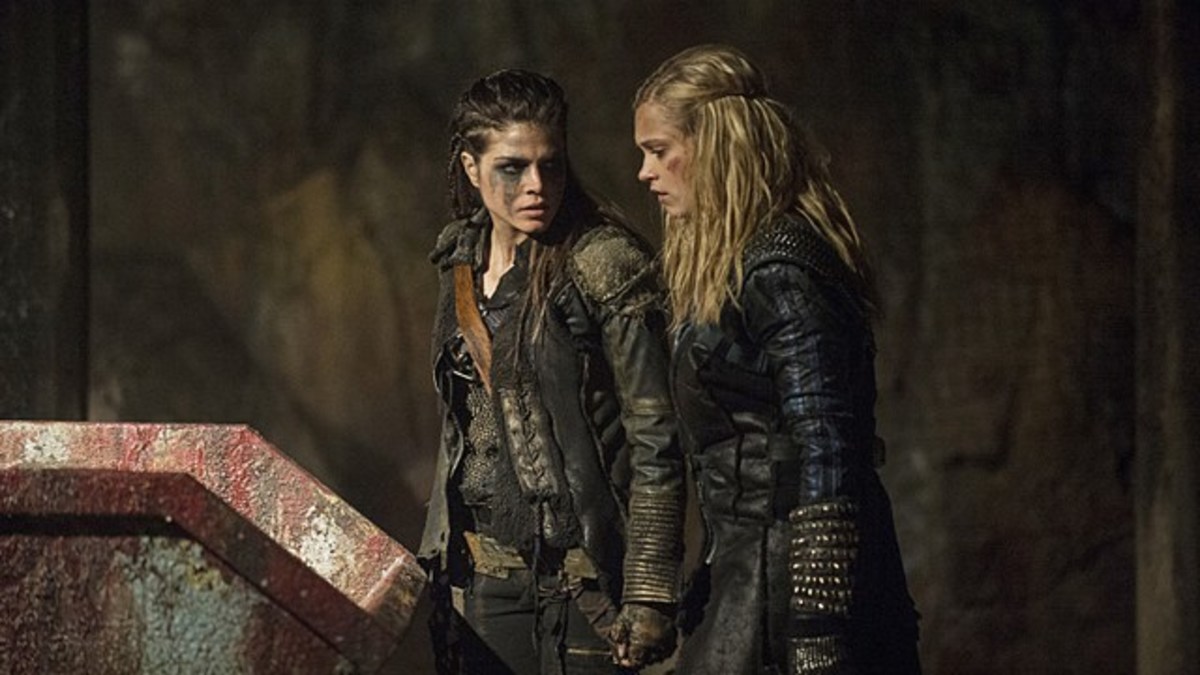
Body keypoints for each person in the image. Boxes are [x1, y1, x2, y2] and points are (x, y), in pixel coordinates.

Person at [632, 45, 922, 674]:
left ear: (714, 146)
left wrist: (818, 624)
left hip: (787, 588)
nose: (645, 173)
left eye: (658, 150)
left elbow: (827, 445)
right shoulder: (744, 261)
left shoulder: (778, 268)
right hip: (748, 576)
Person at [419, 69, 685, 675]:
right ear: (471, 168)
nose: (536, 185)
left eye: (551, 165)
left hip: (585, 583)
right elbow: (459, 431)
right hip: (484, 577)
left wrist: (649, 590)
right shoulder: (459, 261)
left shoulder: (604, 265)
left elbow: (657, 438)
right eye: (512, 168)